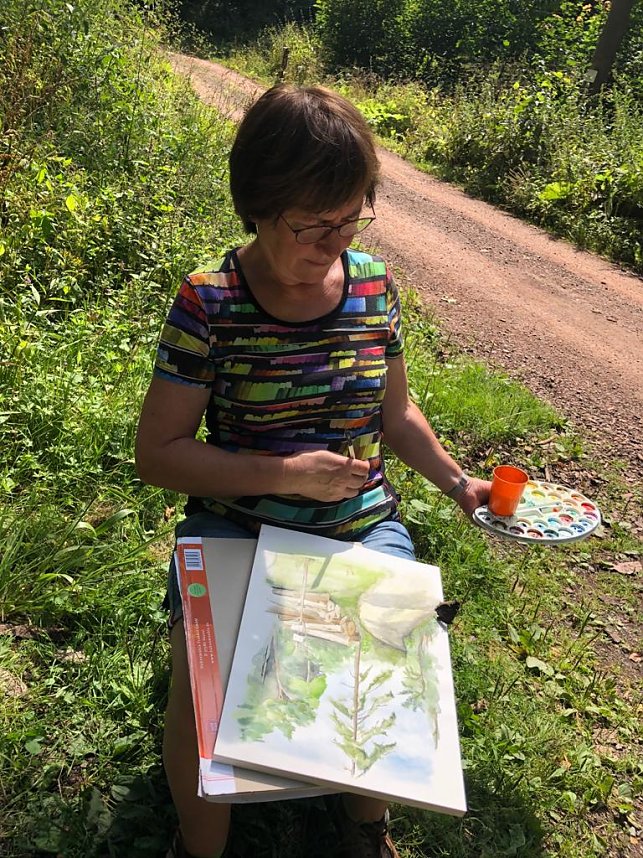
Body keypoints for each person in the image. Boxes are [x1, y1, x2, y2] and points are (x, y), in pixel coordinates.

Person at [136, 83, 490, 858]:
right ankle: (201, 849)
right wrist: (285, 474)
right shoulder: (210, 301)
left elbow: (396, 416)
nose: (332, 241)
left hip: (357, 526)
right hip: (232, 526)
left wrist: (459, 485)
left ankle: (364, 824)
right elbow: (158, 453)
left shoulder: (372, 287)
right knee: (205, 694)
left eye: (351, 215)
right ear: (256, 204)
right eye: (311, 223)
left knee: (382, 659)